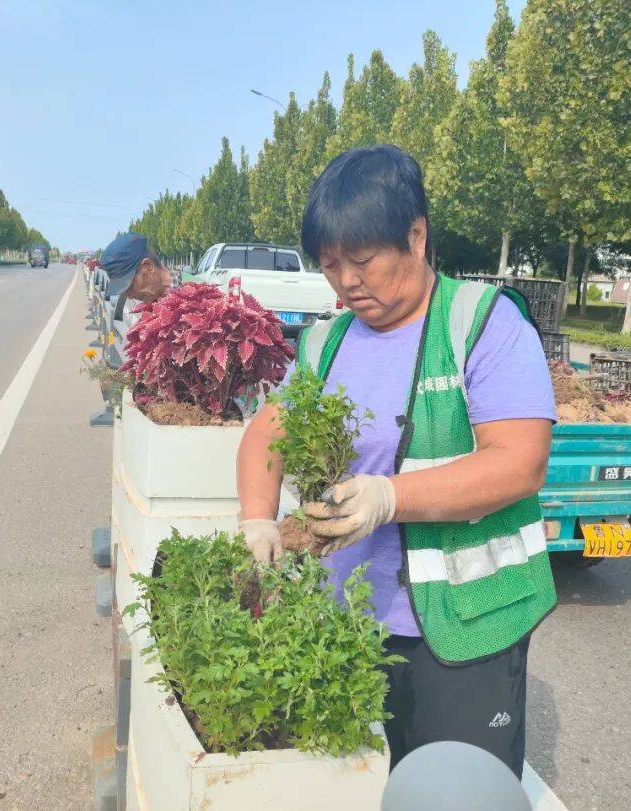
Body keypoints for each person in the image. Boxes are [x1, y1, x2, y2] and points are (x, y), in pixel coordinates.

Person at [235, 145, 558, 777]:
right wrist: (257, 519)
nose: (347, 282)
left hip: (465, 630)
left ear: (416, 236)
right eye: (330, 265)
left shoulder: (480, 324)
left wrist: (389, 497)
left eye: (362, 260)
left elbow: (521, 462)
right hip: (349, 627)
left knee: (452, 788)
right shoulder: (326, 344)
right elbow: (266, 432)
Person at [98, 232, 173, 322]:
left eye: (129, 285)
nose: (129, 296)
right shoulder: (150, 305)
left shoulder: (189, 297)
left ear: (148, 266)